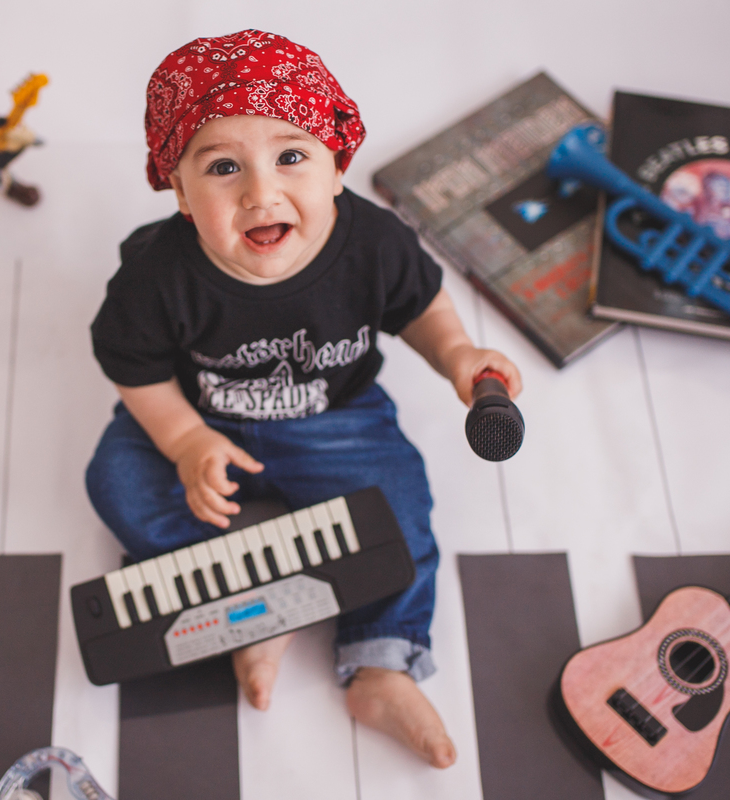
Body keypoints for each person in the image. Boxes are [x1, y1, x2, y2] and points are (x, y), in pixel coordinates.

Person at [86, 30, 521, 769]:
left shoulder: (373, 243)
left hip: (335, 416)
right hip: (204, 414)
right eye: (223, 167)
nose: (261, 192)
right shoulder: (158, 276)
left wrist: (458, 354)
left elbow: (420, 305)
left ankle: (381, 666)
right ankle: (257, 610)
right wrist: (185, 440)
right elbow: (134, 369)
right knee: (118, 483)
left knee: (400, 509)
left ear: (336, 165)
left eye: (291, 156)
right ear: (180, 191)